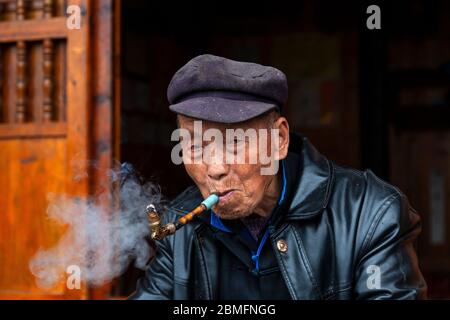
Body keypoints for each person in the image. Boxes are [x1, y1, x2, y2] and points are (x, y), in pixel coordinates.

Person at [130, 54, 427, 300]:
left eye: (234, 143)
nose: (215, 168)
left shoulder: (371, 214)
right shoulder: (180, 229)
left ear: (280, 140)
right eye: (194, 146)